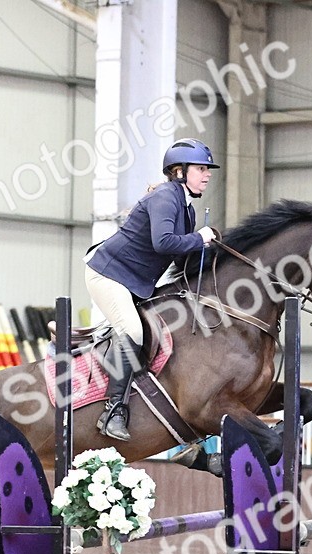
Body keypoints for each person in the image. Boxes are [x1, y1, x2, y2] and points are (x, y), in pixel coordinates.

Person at [84, 138, 219, 441]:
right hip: (108, 276)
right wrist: (200, 239)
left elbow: (181, 256)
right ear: (179, 171)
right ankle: (113, 411)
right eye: (201, 169)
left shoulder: (186, 209)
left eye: (207, 169)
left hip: (137, 283)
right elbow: (164, 242)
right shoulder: (165, 197)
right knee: (132, 331)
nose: (207, 174)